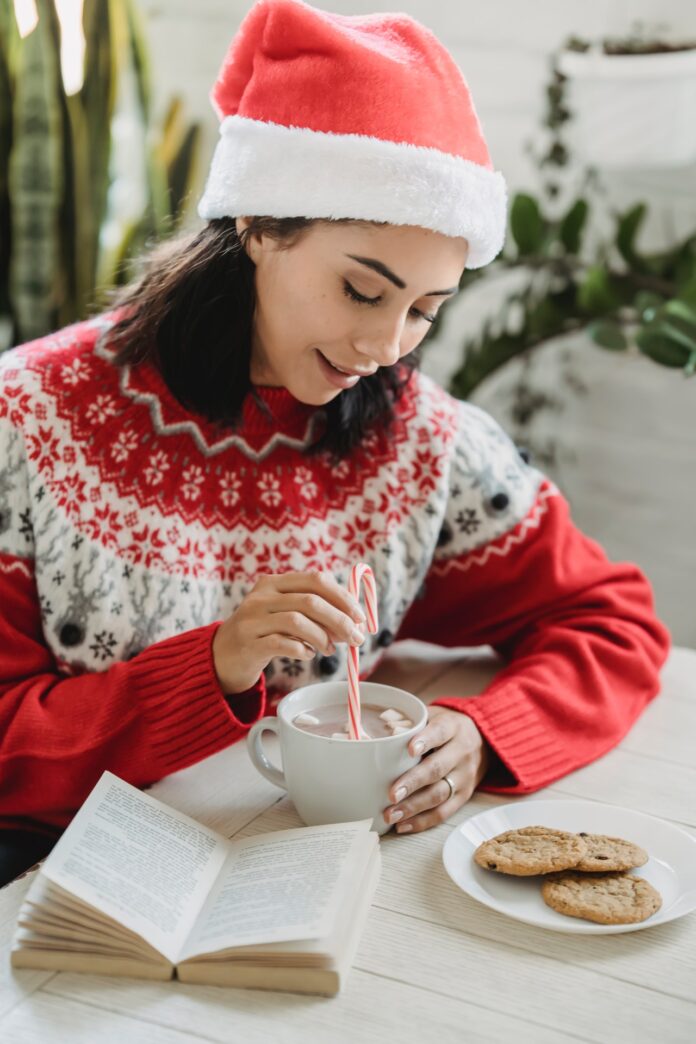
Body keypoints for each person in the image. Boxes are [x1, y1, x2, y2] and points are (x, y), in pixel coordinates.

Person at [0, 0, 670, 886]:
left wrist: (482, 733)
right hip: (49, 878)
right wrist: (212, 666)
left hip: (291, 867)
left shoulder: (422, 443)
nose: (387, 346)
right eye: (362, 292)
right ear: (259, 224)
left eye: (424, 311)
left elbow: (612, 620)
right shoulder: (27, 421)